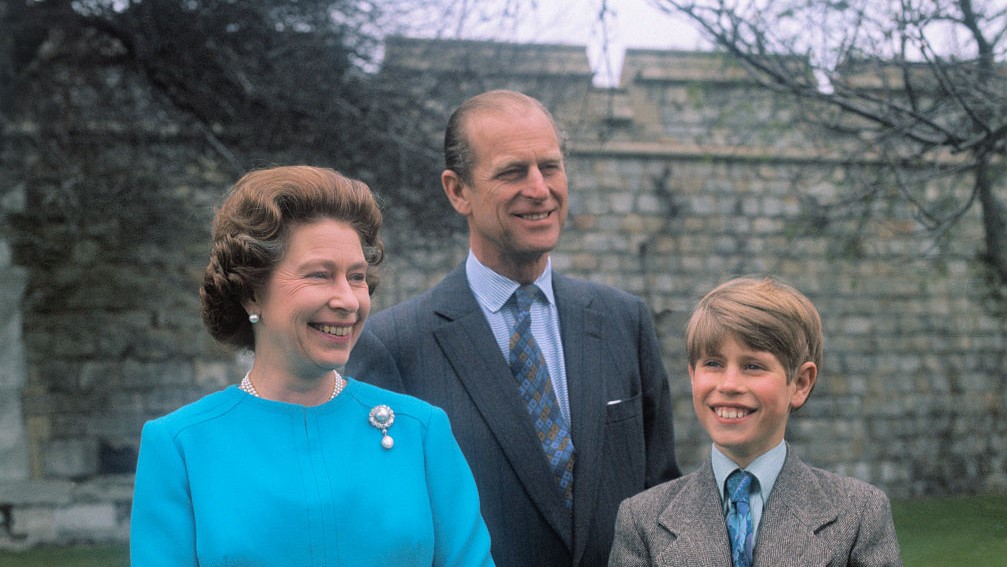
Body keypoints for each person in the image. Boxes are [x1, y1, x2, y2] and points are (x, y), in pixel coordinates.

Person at [345, 89, 681, 566]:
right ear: (457, 191)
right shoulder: (394, 347)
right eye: (511, 172)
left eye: (550, 166)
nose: (540, 189)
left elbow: (664, 500)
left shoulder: (624, 321)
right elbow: (386, 530)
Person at [130, 165, 493, 566]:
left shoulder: (421, 431)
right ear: (251, 293)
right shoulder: (180, 445)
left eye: (356, 277)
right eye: (320, 275)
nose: (348, 300)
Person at [608, 276, 903, 566]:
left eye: (753, 366)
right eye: (713, 364)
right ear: (692, 375)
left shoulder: (859, 514)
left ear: (800, 383)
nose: (729, 384)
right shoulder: (642, 520)